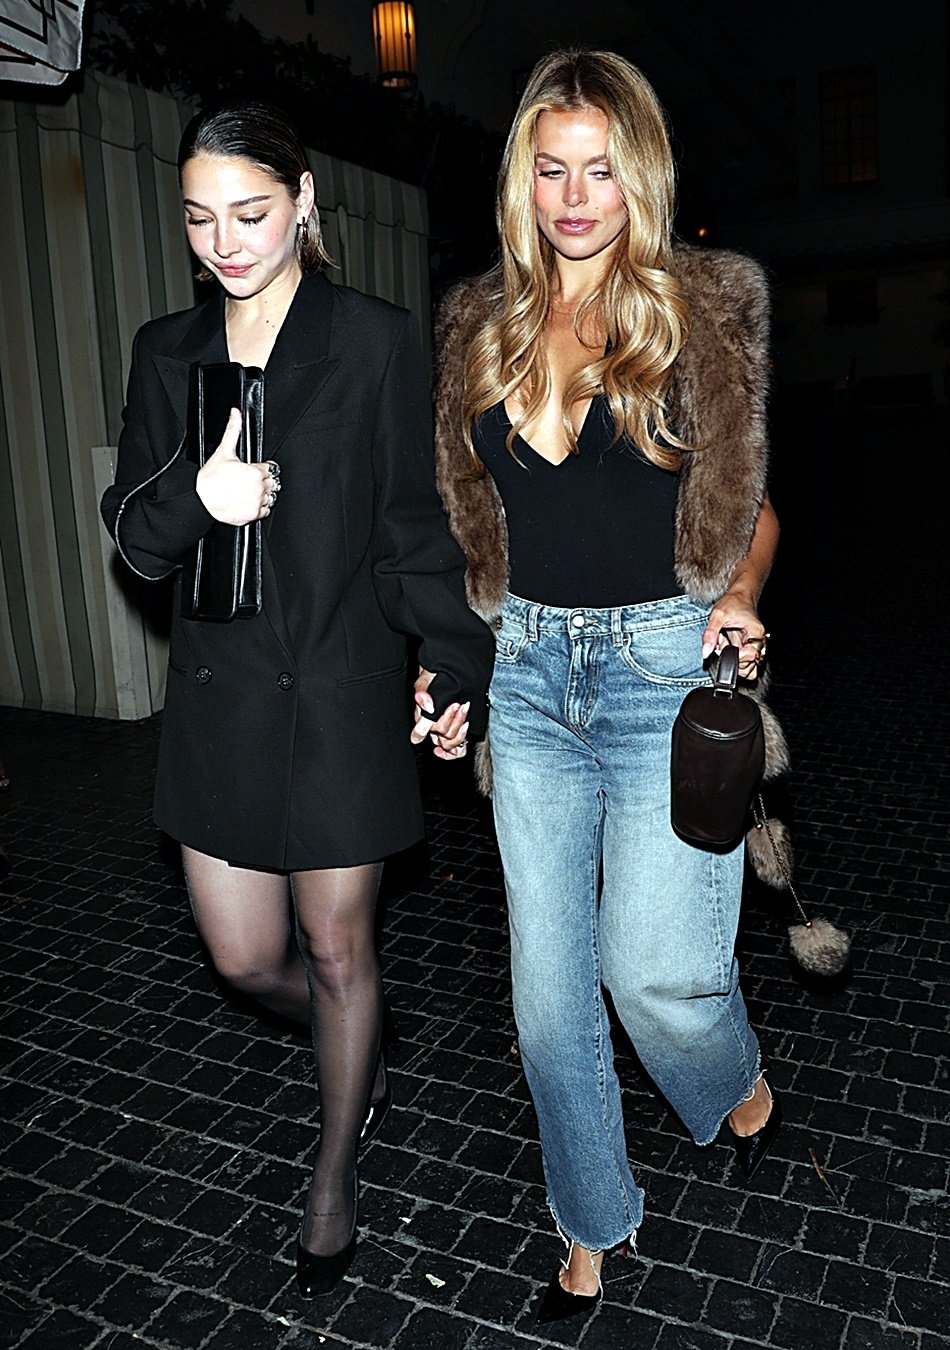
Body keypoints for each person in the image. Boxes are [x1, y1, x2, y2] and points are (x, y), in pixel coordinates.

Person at [100, 99, 494, 1299]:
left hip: (337, 690)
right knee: (243, 958)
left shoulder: (373, 341)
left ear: (304, 200)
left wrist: (452, 663)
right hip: (218, 701)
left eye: (250, 212)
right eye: (198, 218)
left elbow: (412, 527)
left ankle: (333, 1166)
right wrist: (199, 502)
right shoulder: (167, 352)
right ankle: (352, 1037)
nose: (224, 242)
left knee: (335, 947)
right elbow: (135, 540)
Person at [432, 49, 787, 1324]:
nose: (574, 198)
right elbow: (462, 538)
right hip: (528, 676)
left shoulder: (702, 309)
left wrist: (739, 595)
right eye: (550, 169)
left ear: (638, 175)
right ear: (520, 178)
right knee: (545, 1002)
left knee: (655, 978)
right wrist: (449, 668)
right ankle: (589, 1221)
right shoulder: (476, 325)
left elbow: (753, 513)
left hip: (659, 673)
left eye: (599, 170)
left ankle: (731, 1078)